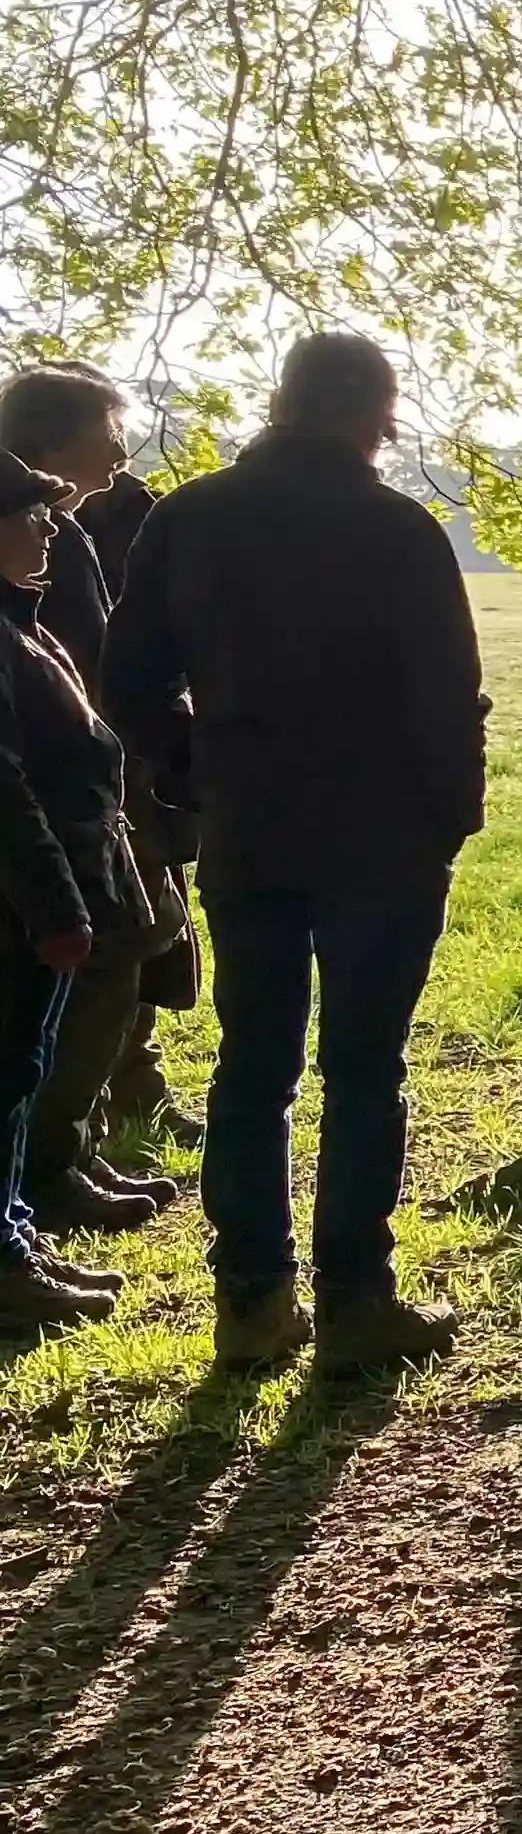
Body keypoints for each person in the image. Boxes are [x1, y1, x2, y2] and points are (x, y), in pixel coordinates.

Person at [104, 331, 484, 1373]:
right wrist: (451, 819)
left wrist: (190, 770)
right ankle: (357, 1301)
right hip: (384, 837)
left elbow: (126, 676)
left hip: (249, 827)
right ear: (376, 414)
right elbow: (447, 697)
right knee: (364, 1070)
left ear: (283, 402)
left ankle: (252, 1303)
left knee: (251, 1066)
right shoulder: (396, 530)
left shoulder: (190, 518)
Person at [0, 363, 187, 1221]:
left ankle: (70, 1147)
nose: (120, 449)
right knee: (96, 967)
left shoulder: (77, 527)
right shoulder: (38, 529)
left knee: (132, 956)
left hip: (97, 800)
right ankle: (45, 1174)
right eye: (105, 430)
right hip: (59, 817)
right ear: (51, 438)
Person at [0, 459, 155, 1330]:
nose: (50, 529)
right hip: (19, 915)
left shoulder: (19, 620)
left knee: (20, 1075)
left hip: (40, 905)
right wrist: (55, 910)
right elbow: (8, 795)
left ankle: (16, 1232)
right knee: (7, 1074)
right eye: (30, 513)